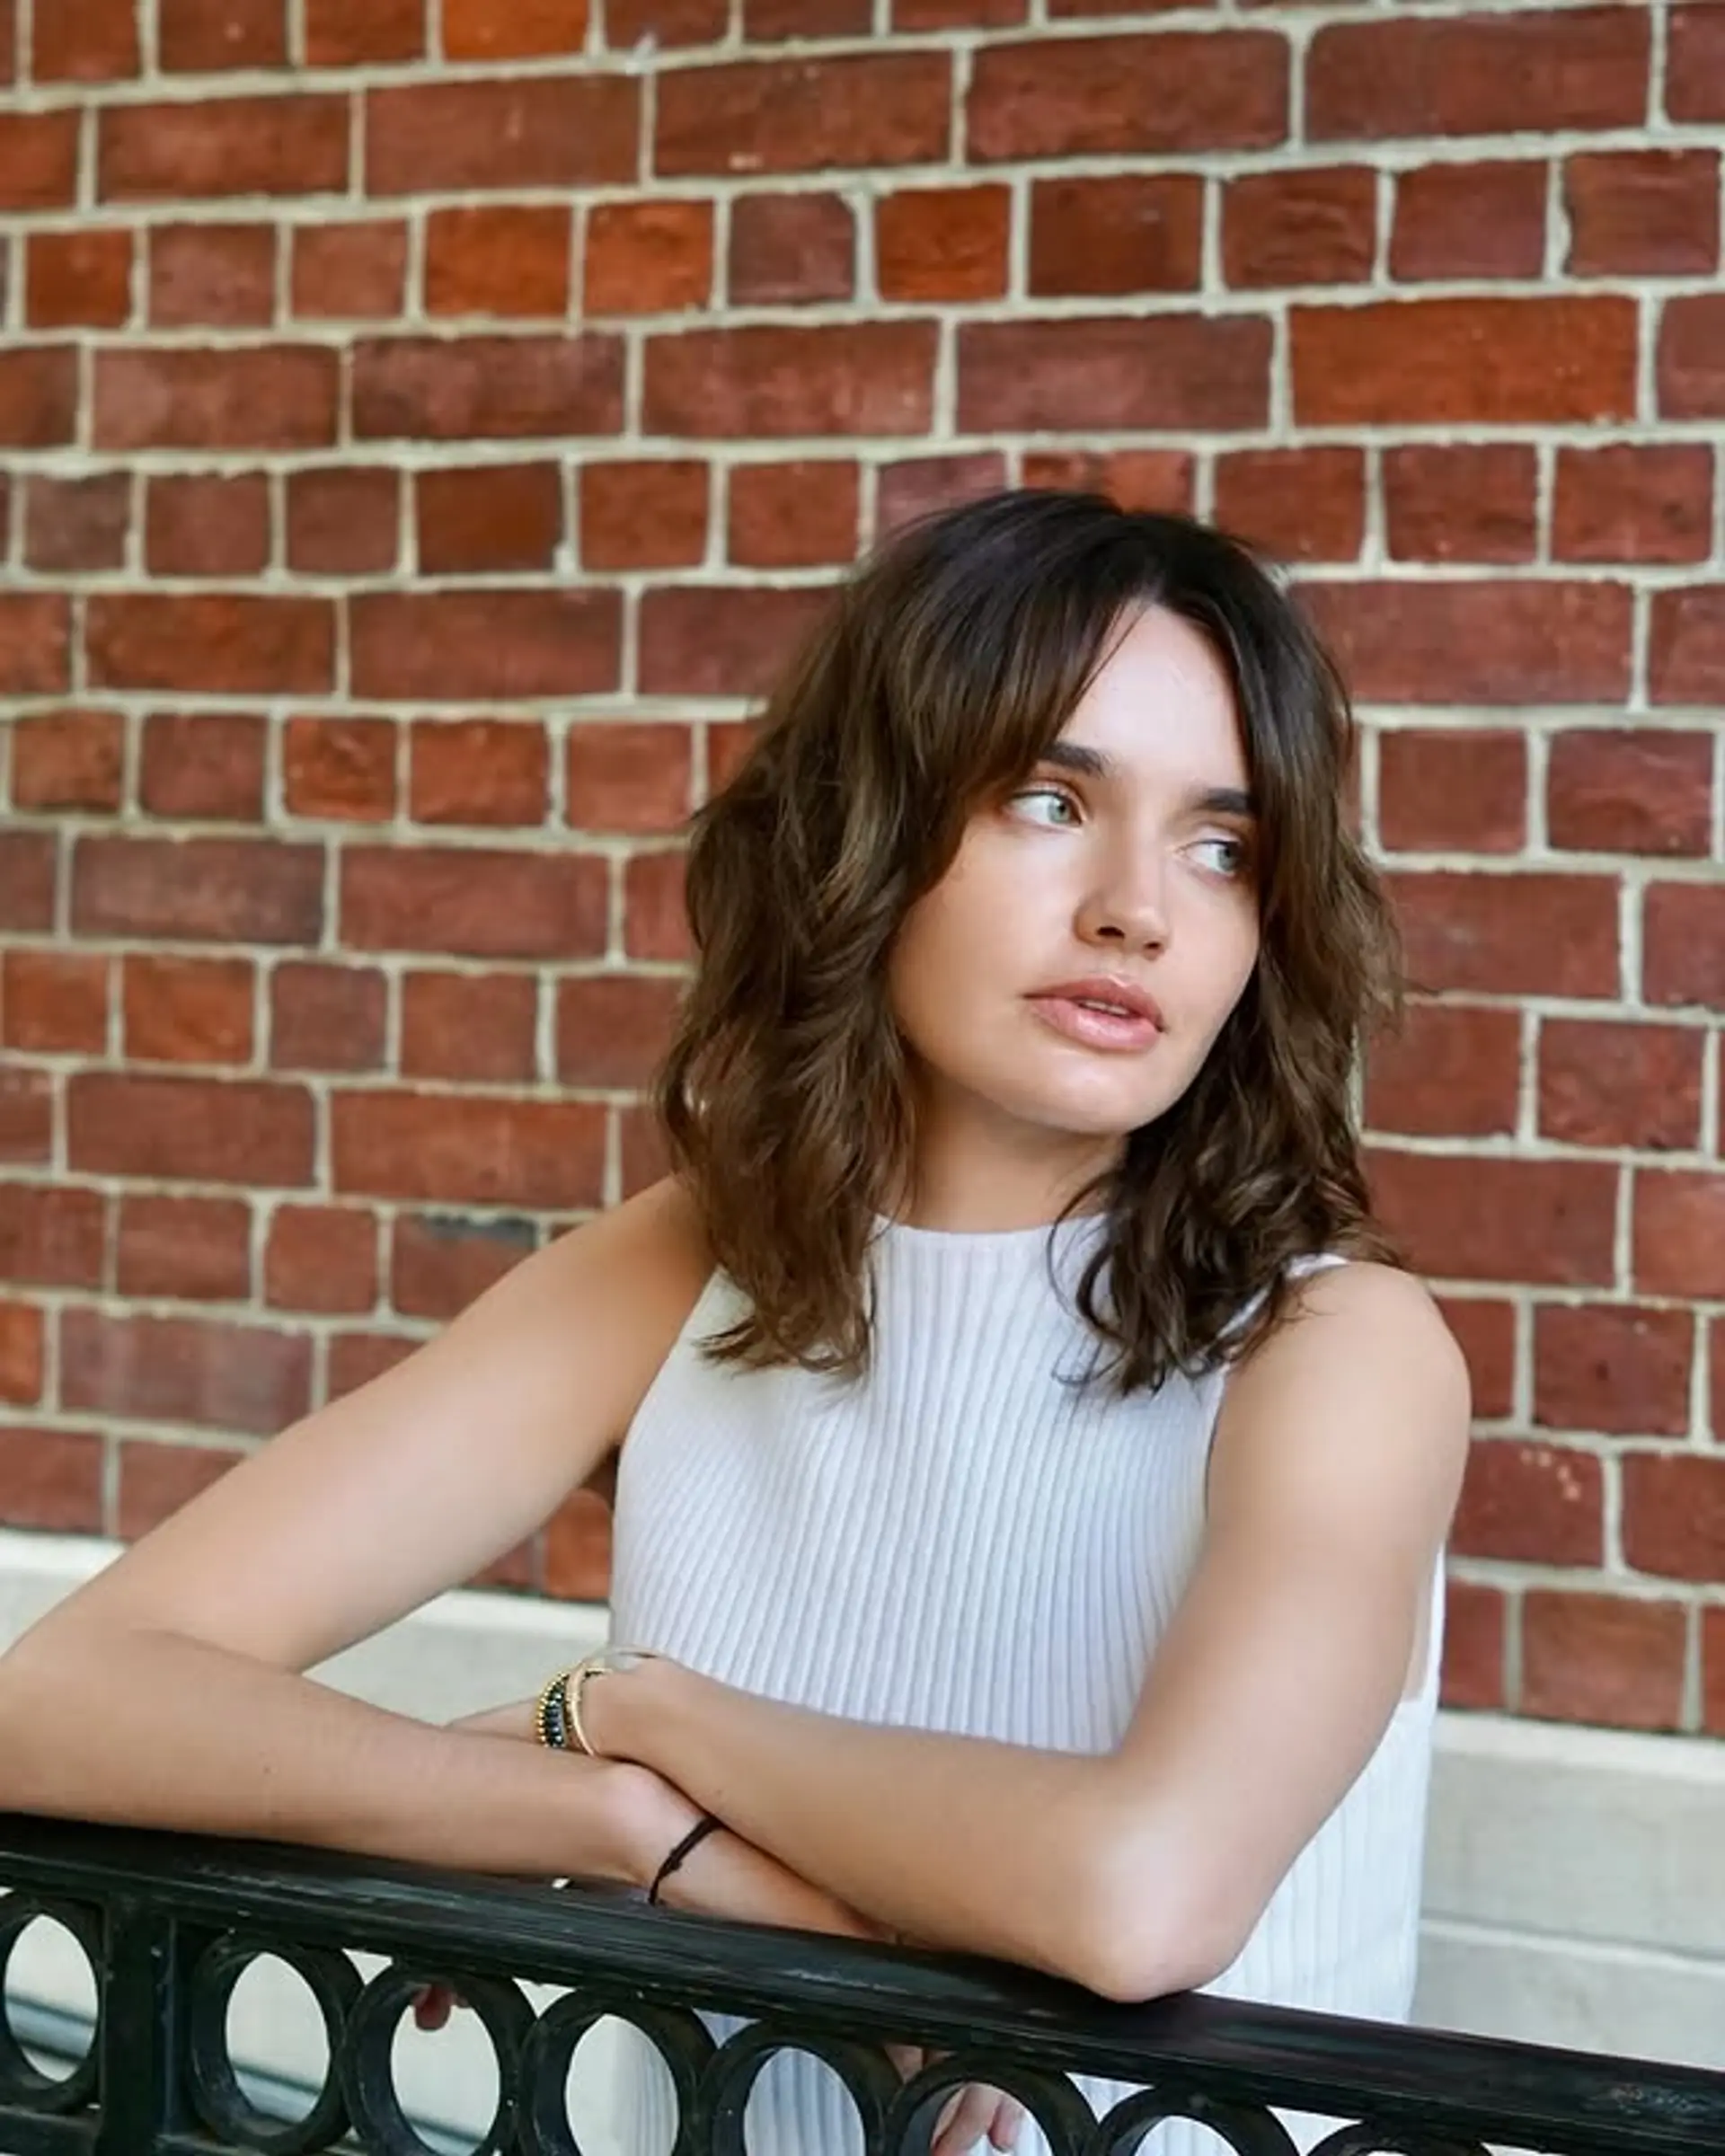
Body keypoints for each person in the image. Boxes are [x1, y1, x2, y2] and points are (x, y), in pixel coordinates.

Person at [0, 491, 1469, 2156]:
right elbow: (58, 1696)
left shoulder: (1338, 1353)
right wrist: (620, 1821)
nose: (1142, 906)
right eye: (1049, 799)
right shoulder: (685, 1269)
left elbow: (1141, 1894)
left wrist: (647, 1714)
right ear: (869, 835)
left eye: (1224, 843)